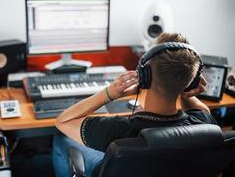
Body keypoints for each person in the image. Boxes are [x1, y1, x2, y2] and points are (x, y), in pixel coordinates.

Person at [52, 33, 217, 177]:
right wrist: (184, 88)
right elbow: (202, 110)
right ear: (191, 83)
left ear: (145, 76)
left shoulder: (119, 130)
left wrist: (109, 93)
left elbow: (62, 121)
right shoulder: (203, 122)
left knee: (62, 139)